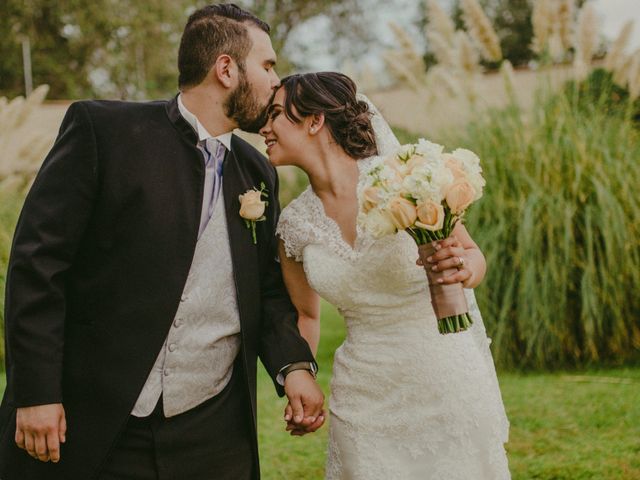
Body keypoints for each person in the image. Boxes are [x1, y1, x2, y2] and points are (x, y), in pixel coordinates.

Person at [0, 4, 325, 480]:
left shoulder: (256, 173)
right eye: (268, 65)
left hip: (212, 430)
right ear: (226, 69)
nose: (277, 82)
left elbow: (269, 290)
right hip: (97, 418)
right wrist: (36, 391)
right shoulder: (104, 132)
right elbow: (37, 265)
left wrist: (293, 366)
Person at [259, 72, 511, 479]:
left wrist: (462, 269)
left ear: (314, 120)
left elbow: (471, 255)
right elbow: (305, 316)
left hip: (443, 377)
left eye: (274, 115)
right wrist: (300, 380)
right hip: (363, 395)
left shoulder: (401, 178)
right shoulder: (293, 225)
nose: (263, 128)